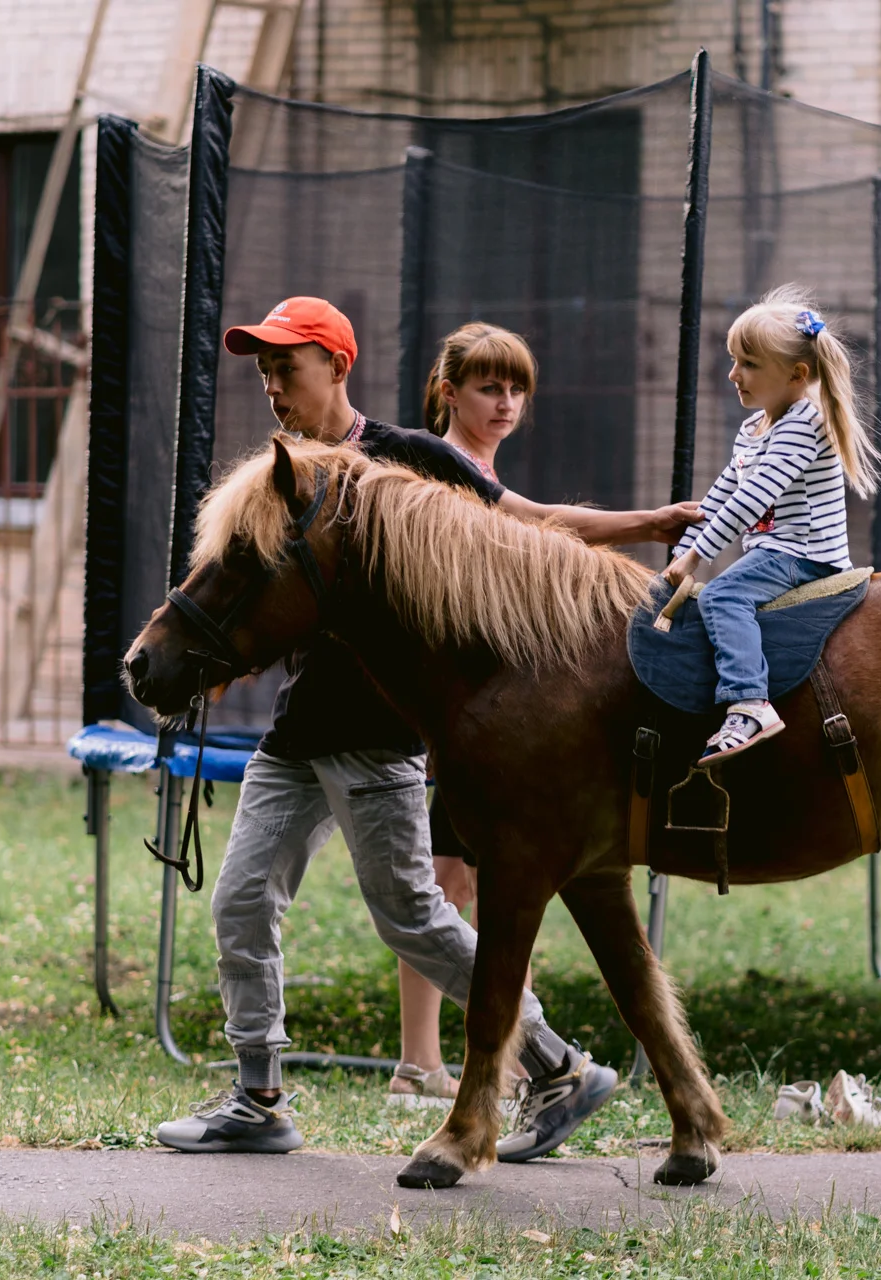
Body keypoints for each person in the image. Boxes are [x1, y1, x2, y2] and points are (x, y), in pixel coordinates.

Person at [154, 298, 697, 1157]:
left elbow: (521, 522)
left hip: (377, 736)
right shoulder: (284, 472)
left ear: (337, 365)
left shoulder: (409, 458)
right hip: (298, 734)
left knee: (414, 915)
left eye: (284, 366)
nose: (269, 385)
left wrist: (646, 525)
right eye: (261, 370)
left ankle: (556, 1065)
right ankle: (258, 1098)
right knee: (242, 899)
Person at [390, 322, 541, 1109]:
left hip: (501, 717)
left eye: (516, 389)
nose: (506, 402)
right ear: (450, 392)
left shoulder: (488, 474)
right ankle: (421, 1061)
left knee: (498, 880)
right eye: (489, 387)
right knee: (446, 883)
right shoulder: (438, 473)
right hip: (459, 721)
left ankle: (508, 1060)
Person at [661, 285, 881, 762]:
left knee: (722, 595)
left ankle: (750, 703)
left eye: (749, 364)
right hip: (772, 554)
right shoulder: (755, 426)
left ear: (797, 374)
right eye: (734, 359)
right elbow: (720, 494)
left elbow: (752, 498)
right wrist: (683, 552)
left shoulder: (806, 420)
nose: (733, 374)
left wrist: (698, 558)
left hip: (804, 557)